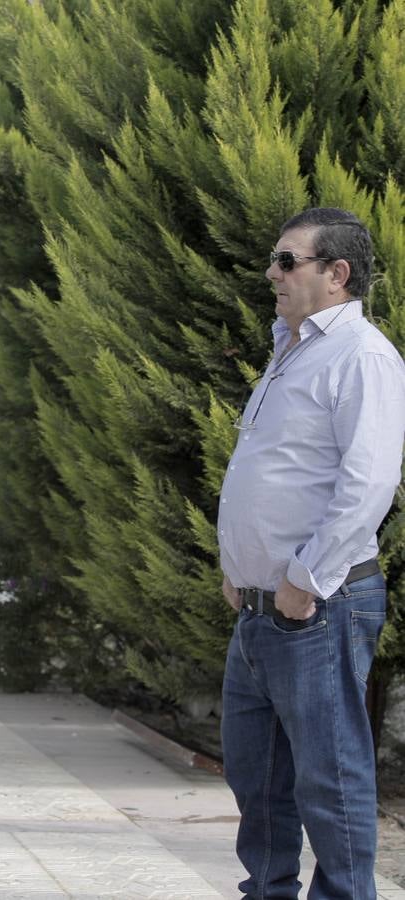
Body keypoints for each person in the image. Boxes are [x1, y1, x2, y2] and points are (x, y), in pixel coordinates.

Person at [219, 207, 405, 899]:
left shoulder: (362, 356)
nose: (272, 272)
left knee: (330, 779)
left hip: (317, 605)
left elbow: (368, 484)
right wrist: (240, 569)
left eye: (287, 260)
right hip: (261, 608)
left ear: (337, 274)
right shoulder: (290, 347)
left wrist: (303, 579)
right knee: (256, 777)